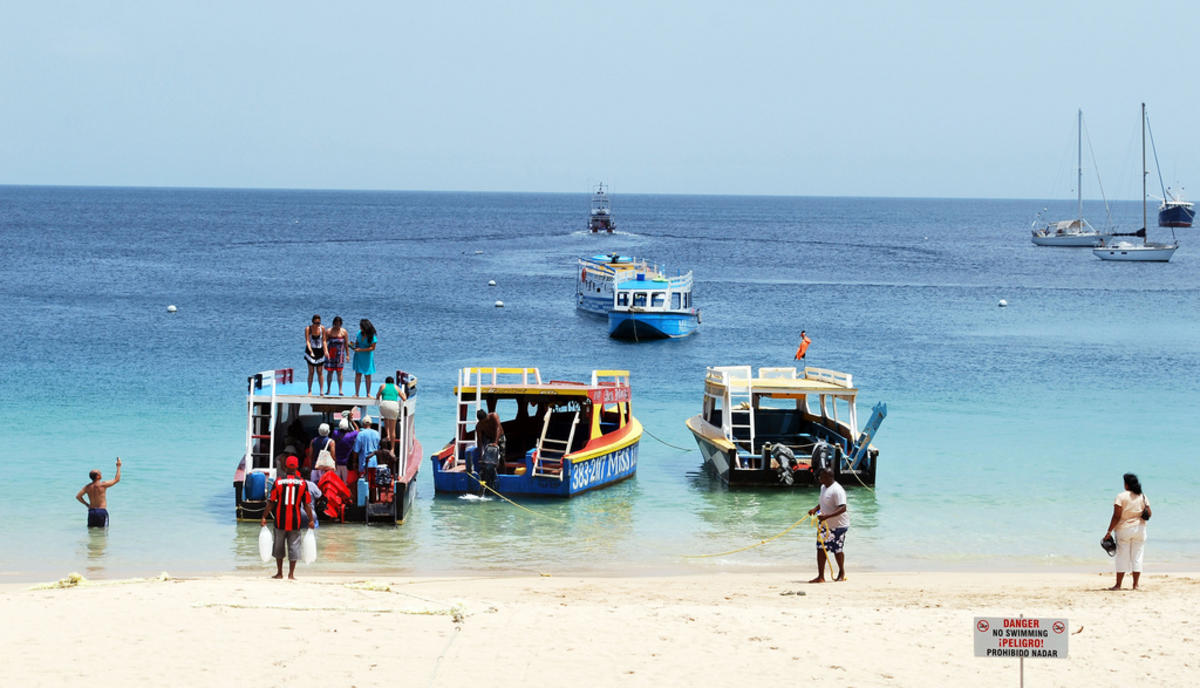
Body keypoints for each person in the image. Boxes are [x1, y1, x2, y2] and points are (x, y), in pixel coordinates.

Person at [261, 456, 314, 580]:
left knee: (278, 547)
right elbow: (307, 504)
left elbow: (271, 501)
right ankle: (291, 574)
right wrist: (311, 519)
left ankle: (279, 573)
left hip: (280, 520)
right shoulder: (303, 483)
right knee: (294, 547)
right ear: (297, 467)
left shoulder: (278, 481)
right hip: (296, 521)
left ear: (285, 467)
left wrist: (264, 516)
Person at [1105, 472, 1152, 590]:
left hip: (1124, 529)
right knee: (1137, 556)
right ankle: (1135, 585)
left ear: (1126, 484)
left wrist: (1109, 531)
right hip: (1140, 529)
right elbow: (1149, 513)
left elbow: (1116, 516)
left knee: (1122, 557)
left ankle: (1118, 585)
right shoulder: (1143, 496)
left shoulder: (1121, 496)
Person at [807, 467, 848, 583]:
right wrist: (815, 509)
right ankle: (821, 576)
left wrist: (827, 516)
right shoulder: (823, 487)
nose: (819, 478)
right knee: (821, 548)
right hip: (825, 525)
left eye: (822, 477)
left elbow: (843, 508)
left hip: (839, 526)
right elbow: (823, 502)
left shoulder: (837, 490)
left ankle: (841, 572)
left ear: (829, 477)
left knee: (837, 550)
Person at [76, 457, 122, 528]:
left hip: (91, 512)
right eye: (100, 473)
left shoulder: (87, 487)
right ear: (97, 476)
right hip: (101, 511)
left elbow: (78, 496)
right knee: (103, 531)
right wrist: (118, 466)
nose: (101, 474)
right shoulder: (102, 485)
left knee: (91, 531)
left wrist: (87, 504)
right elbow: (117, 479)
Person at [376, 375, 407, 445]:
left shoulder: (383, 386)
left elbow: (377, 396)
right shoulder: (396, 387)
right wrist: (404, 394)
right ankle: (392, 448)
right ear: (393, 382)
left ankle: (387, 435)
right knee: (392, 429)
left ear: (386, 382)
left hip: (384, 405)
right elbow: (404, 398)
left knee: (386, 418)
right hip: (393, 405)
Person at [351, 415, 382, 486]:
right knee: (374, 485)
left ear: (363, 424)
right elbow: (378, 448)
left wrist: (354, 462)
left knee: (364, 484)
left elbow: (356, 450)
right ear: (371, 424)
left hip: (364, 464)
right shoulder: (377, 434)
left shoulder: (360, 434)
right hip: (375, 463)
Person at [351, 319, 377, 397]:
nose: (360, 328)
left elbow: (372, 348)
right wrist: (353, 346)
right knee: (358, 374)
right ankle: (357, 393)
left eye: (361, 327)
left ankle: (368, 393)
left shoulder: (372, 336)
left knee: (367, 375)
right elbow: (357, 342)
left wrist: (361, 350)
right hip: (358, 355)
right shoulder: (359, 333)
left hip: (367, 357)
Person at [324, 316, 349, 395]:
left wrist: (347, 355)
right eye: (336, 324)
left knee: (339, 372)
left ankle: (340, 390)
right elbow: (324, 341)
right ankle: (328, 389)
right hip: (331, 353)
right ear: (334, 323)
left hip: (340, 354)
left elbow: (346, 344)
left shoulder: (344, 332)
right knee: (330, 372)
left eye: (339, 324)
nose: (337, 326)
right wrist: (325, 351)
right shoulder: (329, 331)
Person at [331, 416, 358, 484]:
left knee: (337, 483)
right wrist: (352, 421)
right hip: (346, 463)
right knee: (345, 483)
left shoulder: (335, 433)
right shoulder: (350, 435)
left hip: (336, 463)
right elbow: (357, 430)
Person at [303, 314, 326, 394]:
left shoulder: (322, 328)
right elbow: (308, 341)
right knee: (311, 371)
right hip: (310, 350)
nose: (317, 324)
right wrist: (311, 351)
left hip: (320, 350)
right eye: (315, 323)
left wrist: (326, 351)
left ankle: (321, 390)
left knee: (320, 371)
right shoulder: (308, 329)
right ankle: (309, 390)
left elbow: (324, 340)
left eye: (318, 323)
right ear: (312, 322)